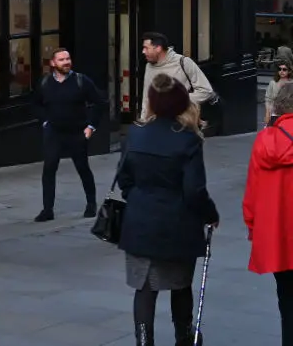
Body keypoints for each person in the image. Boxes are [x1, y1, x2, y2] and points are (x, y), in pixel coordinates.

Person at [117, 74, 220, 346]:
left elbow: (124, 179)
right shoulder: (188, 139)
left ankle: (144, 341)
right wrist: (210, 214)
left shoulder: (135, 134)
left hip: (140, 221)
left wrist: (139, 199)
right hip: (177, 223)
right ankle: (183, 337)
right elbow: (194, 190)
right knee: (180, 284)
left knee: (144, 288)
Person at [243, 82, 293, 346]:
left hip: (277, 235)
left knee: (286, 299)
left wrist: (253, 226)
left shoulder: (264, 140)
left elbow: (252, 190)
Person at [32, 48, 103, 222]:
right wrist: (45, 121)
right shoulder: (45, 82)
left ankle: (91, 204)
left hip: (76, 132)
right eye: (61, 59)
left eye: (68, 58)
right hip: (54, 132)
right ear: (53, 63)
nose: (66, 62)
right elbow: (35, 104)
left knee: (83, 168)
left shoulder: (81, 81)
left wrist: (91, 126)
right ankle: (47, 209)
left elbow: (99, 103)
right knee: (49, 169)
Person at [138, 32, 214, 122]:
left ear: (158, 48)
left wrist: (178, 100)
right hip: (158, 123)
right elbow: (147, 98)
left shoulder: (184, 62)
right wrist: (144, 120)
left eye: (146, 48)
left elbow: (206, 91)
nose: (143, 51)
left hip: (182, 122)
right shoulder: (149, 66)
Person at [265, 62, 292, 129]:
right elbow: (268, 99)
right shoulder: (273, 83)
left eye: (284, 69)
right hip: (275, 113)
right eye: (280, 69)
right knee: (272, 132)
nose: (281, 71)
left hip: (288, 114)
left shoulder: (291, 83)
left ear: (289, 71)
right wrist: (267, 114)